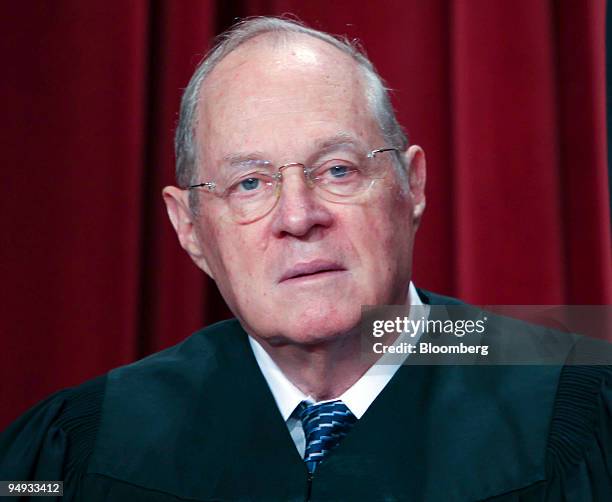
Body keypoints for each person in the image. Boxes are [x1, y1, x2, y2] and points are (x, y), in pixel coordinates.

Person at [1, 16, 611, 502]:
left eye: (337, 170)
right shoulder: (76, 452)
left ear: (413, 186)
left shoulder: (583, 412)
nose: (298, 217)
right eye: (249, 184)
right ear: (188, 228)